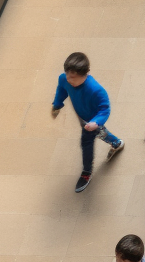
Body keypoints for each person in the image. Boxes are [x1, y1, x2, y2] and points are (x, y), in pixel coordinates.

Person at [51, 51, 123, 193]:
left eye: (73, 77)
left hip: (91, 122)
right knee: (101, 133)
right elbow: (62, 89)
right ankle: (116, 143)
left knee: (86, 143)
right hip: (83, 119)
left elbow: (104, 110)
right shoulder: (64, 79)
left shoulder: (96, 90)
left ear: (85, 74)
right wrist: (57, 104)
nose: (69, 79)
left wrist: (95, 122)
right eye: (67, 75)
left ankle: (86, 171)